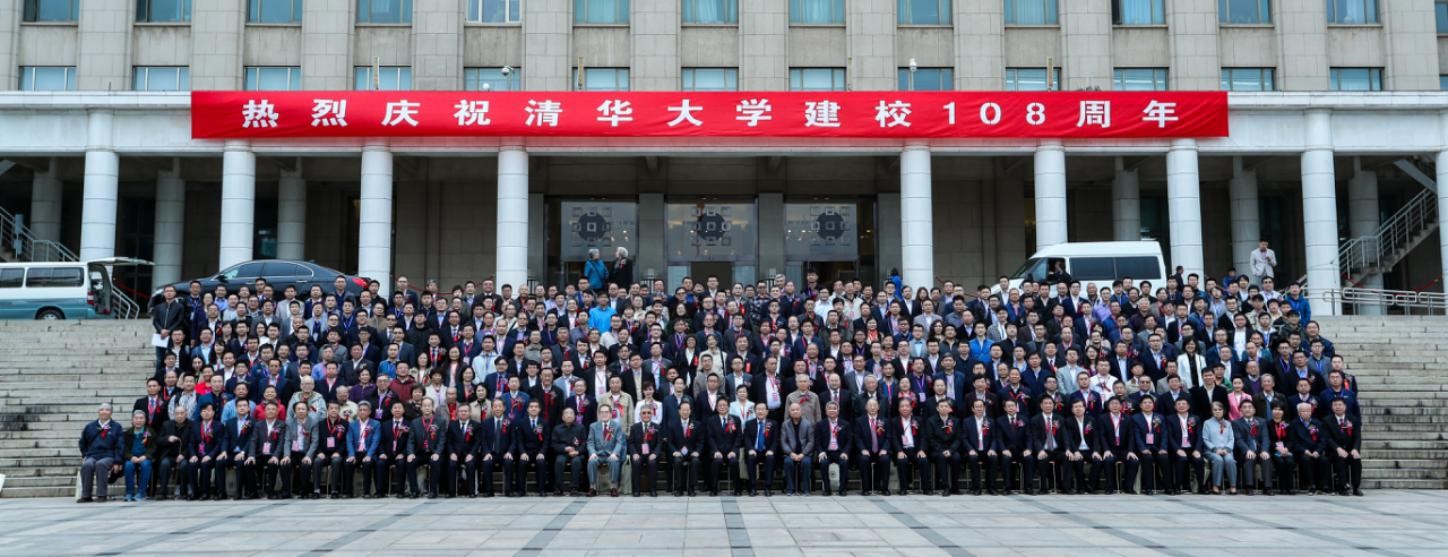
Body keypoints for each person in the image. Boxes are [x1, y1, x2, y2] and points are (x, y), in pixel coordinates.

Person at [1324, 398, 1364, 496]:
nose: (1338, 407)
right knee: (1340, 459)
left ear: (1345, 406)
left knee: (1356, 460)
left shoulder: (1353, 419)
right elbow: (1327, 438)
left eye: (1340, 405)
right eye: (1335, 405)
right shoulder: (1327, 420)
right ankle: (1342, 487)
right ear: (1332, 407)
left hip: (1350, 449)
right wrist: (1338, 449)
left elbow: (1357, 436)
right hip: (1334, 451)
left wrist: (1355, 449)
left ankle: (1356, 487)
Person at [705, 397, 743, 496]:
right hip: (717, 451)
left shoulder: (735, 419)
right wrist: (715, 451)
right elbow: (710, 437)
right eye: (720, 405)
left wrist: (734, 451)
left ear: (728, 407)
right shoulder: (711, 420)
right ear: (716, 408)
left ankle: (737, 489)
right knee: (716, 462)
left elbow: (738, 437)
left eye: (724, 405)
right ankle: (713, 489)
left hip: (731, 451)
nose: (722, 407)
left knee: (734, 462)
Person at [891, 397, 929, 495]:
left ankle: (926, 488)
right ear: (898, 409)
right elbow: (894, 438)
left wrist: (921, 450)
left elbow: (923, 437)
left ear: (911, 408)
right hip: (903, 450)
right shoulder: (894, 421)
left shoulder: (918, 420)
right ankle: (903, 488)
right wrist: (899, 451)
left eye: (907, 406)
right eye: (902, 406)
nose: (905, 408)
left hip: (916, 450)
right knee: (901, 460)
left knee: (923, 460)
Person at [816, 400, 854, 496]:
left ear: (838, 411)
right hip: (826, 452)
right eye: (829, 408)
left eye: (834, 408)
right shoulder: (820, 424)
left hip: (839, 452)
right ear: (826, 411)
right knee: (823, 463)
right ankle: (827, 489)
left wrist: (845, 452)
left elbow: (849, 441)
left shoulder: (845, 424)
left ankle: (842, 489)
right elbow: (817, 441)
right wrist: (820, 452)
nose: (832, 410)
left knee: (844, 463)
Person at [587, 404, 625, 497]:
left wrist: (615, 453)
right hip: (598, 454)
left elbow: (619, 442)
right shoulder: (593, 426)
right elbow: (590, 442)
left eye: (606, 412)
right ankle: (593, 487)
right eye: (602, 412)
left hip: (610, 454)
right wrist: (592, 453)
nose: (604, 414)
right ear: (599, 414)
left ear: (611, 414)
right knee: (591, 461)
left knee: (614, 460)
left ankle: (613, 487)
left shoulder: (617, 426)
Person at [346, 401, 381, 498]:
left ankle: (366, 492)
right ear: (357, 412)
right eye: (360, 410)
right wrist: (351, 455)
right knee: (348, 464)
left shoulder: (376, 424)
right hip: (356, 452)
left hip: (369, 452)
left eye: (365, 410)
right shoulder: (352, 424)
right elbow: (349, 440)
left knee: (367, 464)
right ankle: (348, 492)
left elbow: (375, 441)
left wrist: (369, 455)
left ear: (369, 412)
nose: (362, 412)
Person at [1202, 401, 1237, 494]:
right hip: (1212, 451)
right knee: (1218, 460)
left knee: (1230, 460)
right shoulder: (1207, 423)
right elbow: (1205, 439)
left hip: (1226, 450)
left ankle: (1233, 486)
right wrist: (1215, 449)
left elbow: (1231, 438)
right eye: (1215, 410)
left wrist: (1226, 449)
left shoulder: (1228, 423)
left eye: (1220, 409)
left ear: (1223, 411)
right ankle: (1216, 485)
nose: (1217, 411)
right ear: (1212, 411)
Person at [668, 400, 702, 496]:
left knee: (695, 461)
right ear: (679, 411)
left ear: (690, 411)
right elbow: (670, 442)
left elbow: (700, 441)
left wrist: (697, 451)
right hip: (678, 452)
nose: (685, 412)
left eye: (687, 410)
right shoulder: (672, 424)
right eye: (683, 410)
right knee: (677, 461)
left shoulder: (697, 425)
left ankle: (691, 488)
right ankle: (679, 488)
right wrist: (674, 451)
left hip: (692, 452)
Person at [742, 402, 778, 496]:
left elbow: (775, 440)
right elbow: (747, 438)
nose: (760, 411)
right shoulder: (749, 424)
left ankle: (768, 488)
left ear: (767, 411)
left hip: (767, 451)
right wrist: (750, 449)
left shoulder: (773, 423)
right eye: (758, 409)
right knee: (750, 458)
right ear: (755, 411)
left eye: (763, 409)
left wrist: (771, 450)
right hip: (754, 450)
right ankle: (753, 488)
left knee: (770, 458)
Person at [121, 410, 156, 502]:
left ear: (145, 420)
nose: (138, 420)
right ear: (132, 420)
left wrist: (145, 456)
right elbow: (124, 449)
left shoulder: (150, 432)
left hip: (145, 457)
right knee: (128, 465)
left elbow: (154, 447)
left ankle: (141, 492)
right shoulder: (127, 433)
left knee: (145, 465)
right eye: (136, 418)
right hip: (132, 457)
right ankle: (129, 492)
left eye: (141, 418)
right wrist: (131, 457)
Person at [552, 406, 587, 496]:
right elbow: (554, 444)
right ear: (562, 417)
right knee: (559, 461)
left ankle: (574, 488)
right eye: (566, 413)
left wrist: (577, 452)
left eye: (571, 413)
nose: (569, 415)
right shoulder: (557, 428)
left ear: (575, 416)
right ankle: (559, 488)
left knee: (576, 461)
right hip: (562, 453)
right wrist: (564, 448)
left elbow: (584, 443)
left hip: (577, 453)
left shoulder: (581, 428)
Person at [780, 402, 813, 496]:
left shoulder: (808, 424)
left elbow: (811, 442)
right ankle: (790, 488)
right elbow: (783, 441)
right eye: (793, 410)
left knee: (806, 463)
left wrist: (803, 454)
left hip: (804, 453)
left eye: (797, 409)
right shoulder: (785, 424)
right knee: (788, 462)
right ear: (789, 412)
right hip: (790, 453)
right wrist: (791, 453)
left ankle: (805, 489)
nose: (795, 411)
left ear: (801, 411)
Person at [628, 403, 662, 497]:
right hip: (638, 453)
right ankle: (636, 490)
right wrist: (634, 453)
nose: (646, 415)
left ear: (652, 414)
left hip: (651, 453)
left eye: (648, 413)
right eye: (644, 413)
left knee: (652, 462)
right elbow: (630, 443)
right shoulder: (634, 427)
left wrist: (655, 453)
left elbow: (659, 443)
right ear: (640, 415)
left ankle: (653, 490)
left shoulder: (656, 427)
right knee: (636, 462)